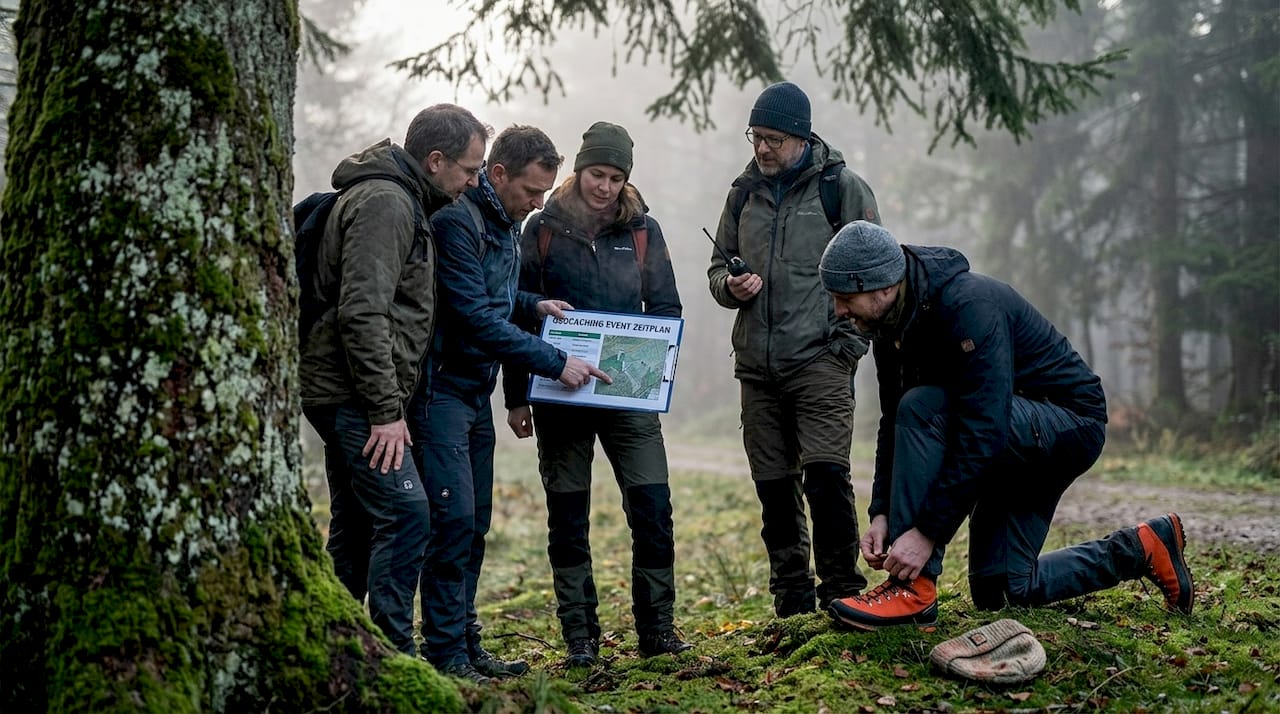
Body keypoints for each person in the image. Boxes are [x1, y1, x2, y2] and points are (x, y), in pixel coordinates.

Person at [817, 221, 1194, 630]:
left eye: (844, 297)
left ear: (882, 287)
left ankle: (913, 590)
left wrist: (925, 534)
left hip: (1067, 423)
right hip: (1012, 438)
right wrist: (883, 513)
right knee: (1001, 589)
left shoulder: (968, 305)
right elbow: (893, 422)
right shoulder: (889, 327)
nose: (839, 311)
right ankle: (1142, 548)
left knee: (925, 407)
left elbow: (982, 430)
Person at [411, 125, 611, 683]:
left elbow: (494, 298)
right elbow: (471, 315)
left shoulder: (504, 224)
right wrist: (553, 362)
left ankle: (466, 643)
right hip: (442, 391)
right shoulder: (457, 223)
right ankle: (445, 653)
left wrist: (533, 303)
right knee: (449, 522)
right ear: (497, 175)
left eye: (546, 194)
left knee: (474, 524)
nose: (538, 204)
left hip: (474, 394)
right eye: (531, 191)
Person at [300, 103, 490, 655]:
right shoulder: (387, 202)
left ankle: (335, 650)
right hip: (353, 393)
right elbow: (362, 311)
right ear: (435, 160)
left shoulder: (401, 197)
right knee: (408, 515)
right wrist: (385, 410)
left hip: (351, 389)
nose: (474, 181)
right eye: (469, 169)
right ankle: (390, 654)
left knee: (358, 526)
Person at [503, 122, 690, 668]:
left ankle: (657, 630)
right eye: (596, 174)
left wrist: (651, 365)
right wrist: (518, 397)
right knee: (567, 515)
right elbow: (516, 307)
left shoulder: (643, 231)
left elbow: (667, 308)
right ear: (579, 170)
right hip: (558, 395)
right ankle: (579, 639)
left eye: (615, 177)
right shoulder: (541, 227)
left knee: (653, 508)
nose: (604, 187)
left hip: (629, 397)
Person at [707, 81, 880, 617]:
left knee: (827, 479)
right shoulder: (742, 193)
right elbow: (717, 267)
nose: (762, 148)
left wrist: (846, 350)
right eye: (757, 136)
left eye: (774, 139)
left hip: (821, 361)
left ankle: (842, 593)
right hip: (756, 368)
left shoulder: (841, 189)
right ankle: (791, 600)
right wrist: (728, 288)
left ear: (801, 137)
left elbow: (879, 273)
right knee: (774, 489)